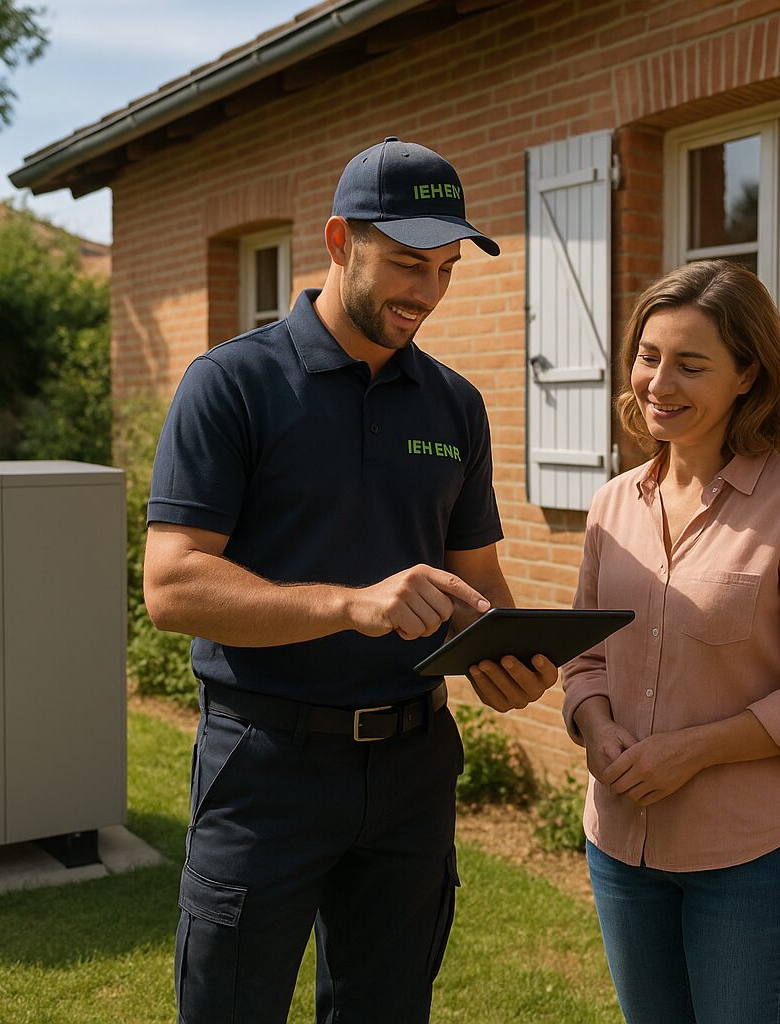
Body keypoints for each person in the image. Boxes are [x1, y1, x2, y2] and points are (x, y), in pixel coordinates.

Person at [143, 137, 558, 1024]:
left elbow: (476, 576)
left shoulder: (455, 404)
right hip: (265, 766)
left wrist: (505, 654)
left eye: (446, 269)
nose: (428, 293)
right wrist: (349, 606)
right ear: (339, 240)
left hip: (412, 767)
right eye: (408, 264)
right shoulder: (232, 385)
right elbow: (172, 586)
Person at [560, 259, 780, 1023]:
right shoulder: (611, 505)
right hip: (621, 849)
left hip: (753, 860)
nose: (658, 383)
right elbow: (585, 656)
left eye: (690, 365)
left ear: (747, 376)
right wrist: (596, 728)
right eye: (649, 356)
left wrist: (692, 750)